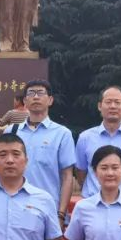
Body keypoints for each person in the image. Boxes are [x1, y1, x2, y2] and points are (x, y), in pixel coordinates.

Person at [12, 80, 76, 227]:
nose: (36, 97)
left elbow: (67, 176)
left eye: (40, 93)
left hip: (48, 210)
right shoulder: (12, 132)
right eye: (31, 93)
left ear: (50, 100)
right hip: (15, 208)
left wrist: (61, 214)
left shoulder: (62, 134)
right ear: (24, 101)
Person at [74, 86, 121, 198]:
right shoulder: (85, 138)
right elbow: (80, 172)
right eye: (108, 102)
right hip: (93, 202)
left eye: (117, 102)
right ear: (100, 106)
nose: (113, 106)